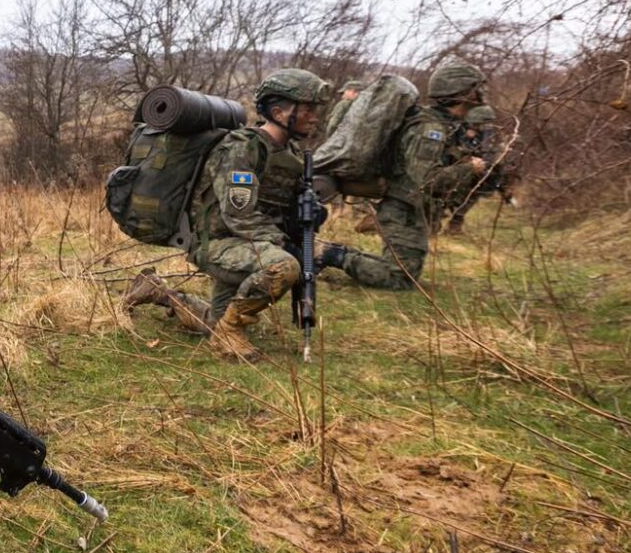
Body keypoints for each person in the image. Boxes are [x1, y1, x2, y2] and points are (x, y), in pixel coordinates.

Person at [127, 69, 330, 362]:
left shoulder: (291, 153)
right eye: (308, 109)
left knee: (213, 321)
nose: (314, 117)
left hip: (245, 244)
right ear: (278, 112)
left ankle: (159, 293)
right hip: (219, 243)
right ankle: (229, 333)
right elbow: (239, 215)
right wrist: (284, 245)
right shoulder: (242, 148)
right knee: (284, 266)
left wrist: (310, 213)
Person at [317, 61, 488, 289]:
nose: (481, 92)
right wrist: (470, 168)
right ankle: (327, 253)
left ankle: (332, 252)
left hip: (410, 208)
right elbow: (427, 180)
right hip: (402, 209)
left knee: (405, 270)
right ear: (465, 92)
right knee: (399, 278)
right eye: (477, 87)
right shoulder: (431, 130)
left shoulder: (443, 124)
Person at [439, 104, 512, 233]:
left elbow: (495, 158)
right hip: (452, 171)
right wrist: (465, 155)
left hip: (475, 173)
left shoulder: (492, 136)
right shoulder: (456, 130)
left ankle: (455, 222)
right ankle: (436, 218)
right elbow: (448, 151)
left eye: (486, 124)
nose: (484, 127)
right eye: (480, 124)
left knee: (477, 191)